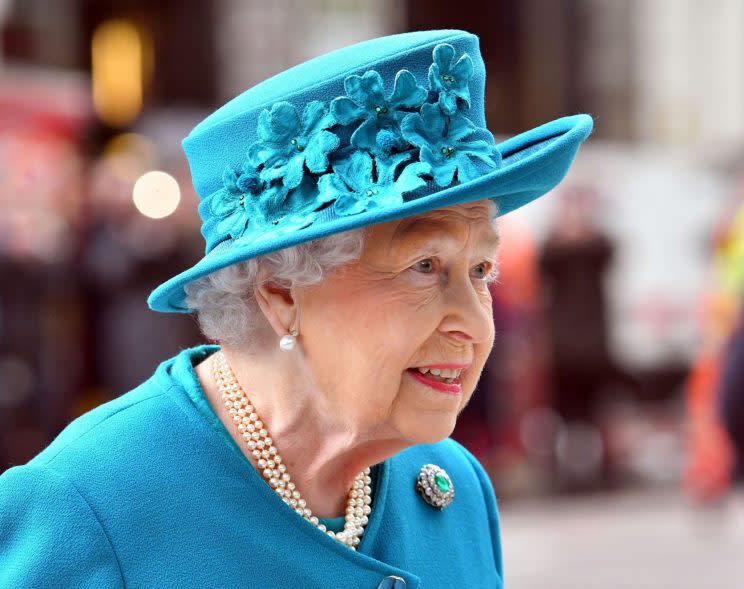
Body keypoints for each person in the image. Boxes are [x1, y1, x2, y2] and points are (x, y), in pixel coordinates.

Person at [0, 29, 592, 587]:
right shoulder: (84, 506)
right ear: (283, 294)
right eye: (424, 267)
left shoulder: (455, 488)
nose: (476, 323)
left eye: (481, 270)